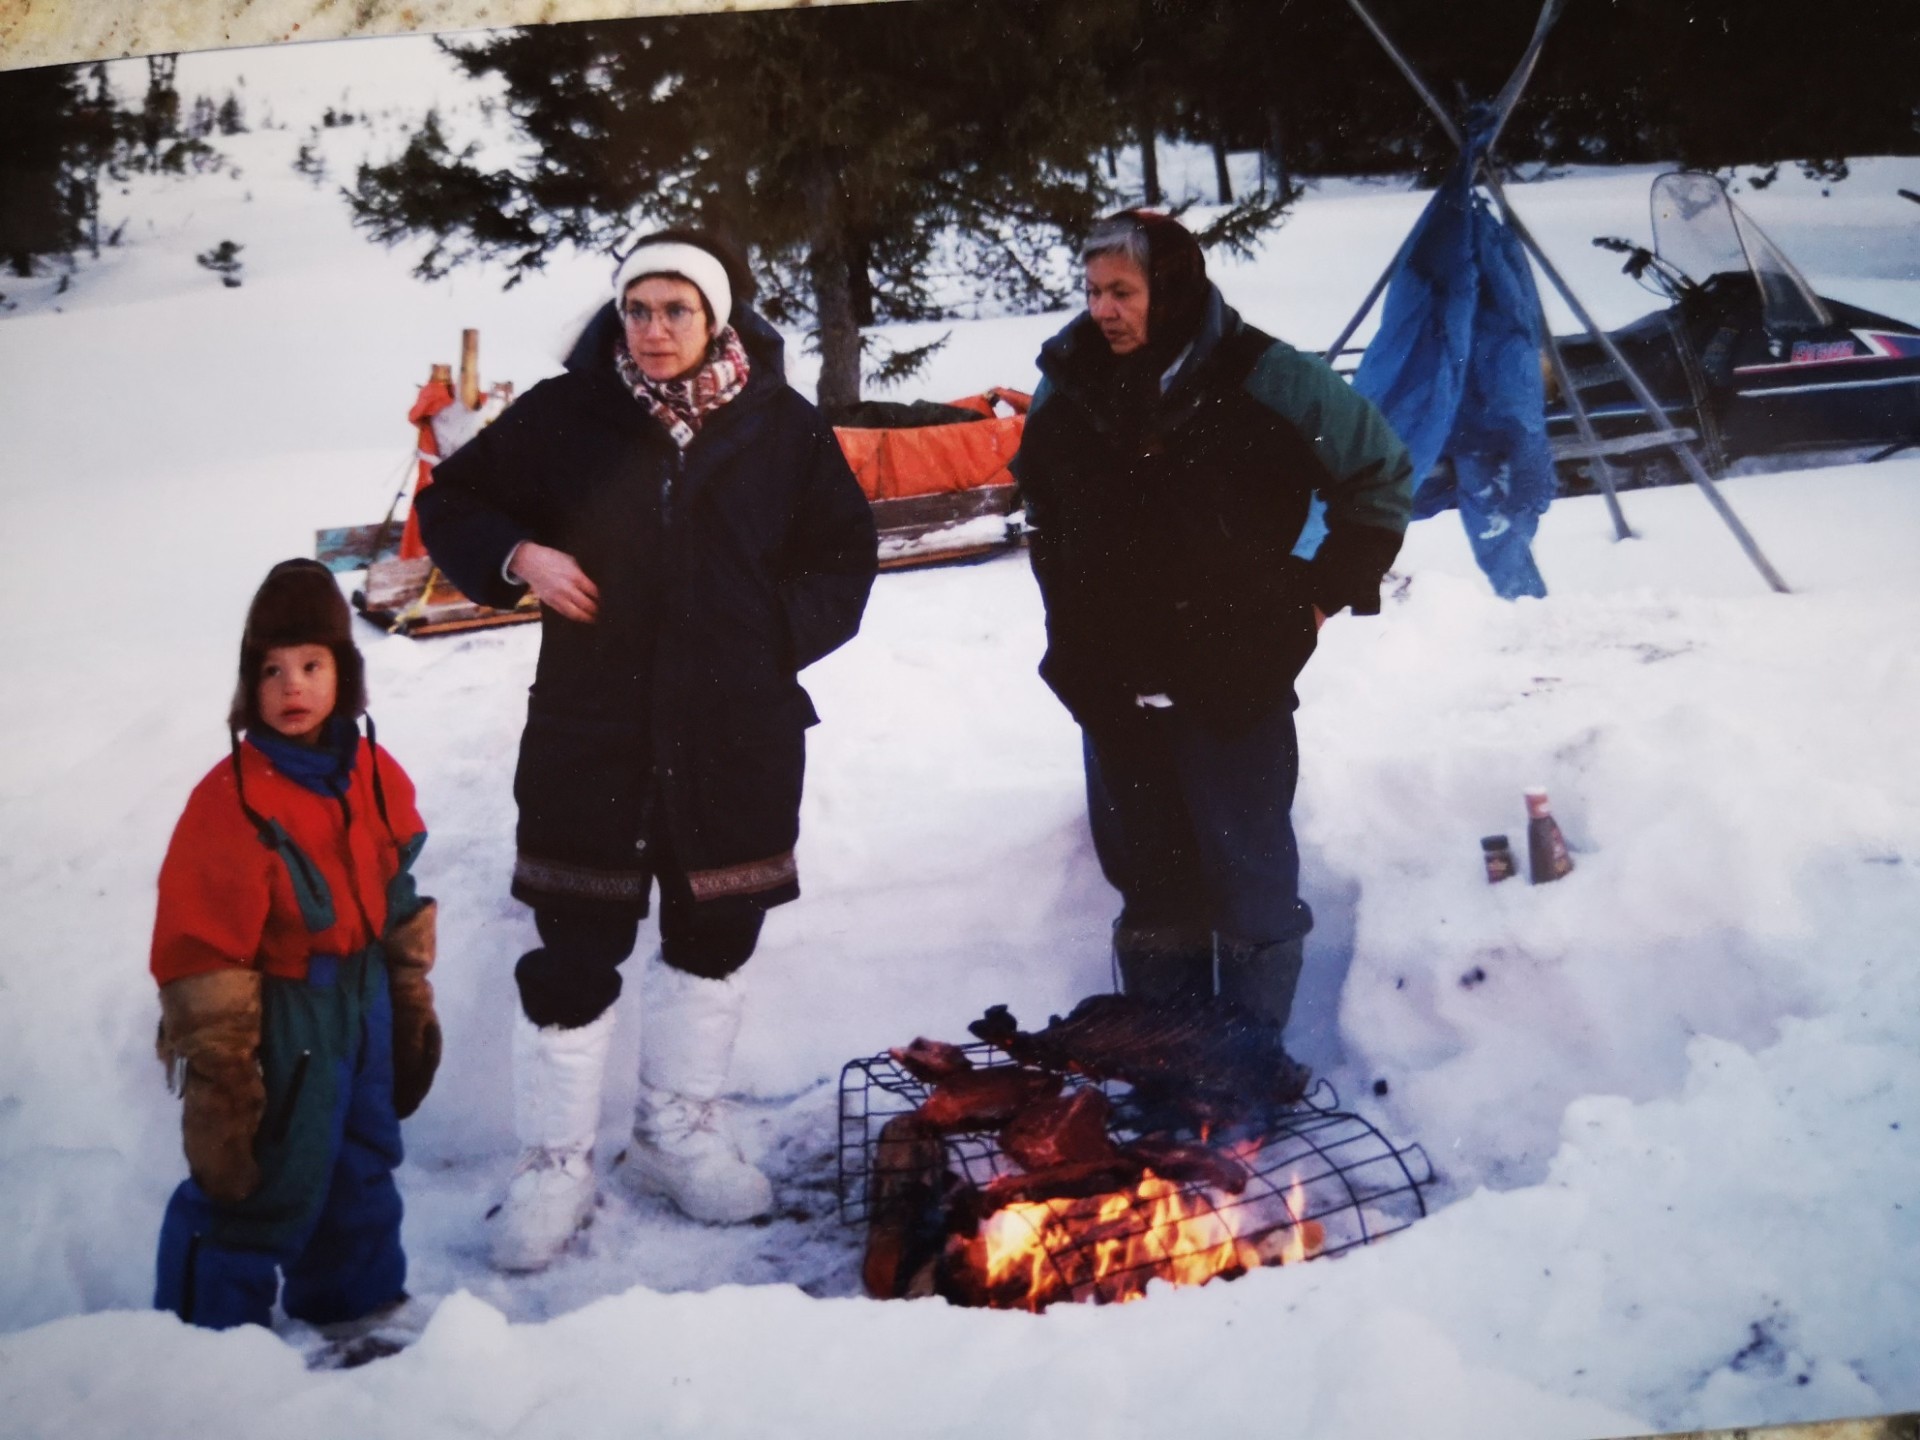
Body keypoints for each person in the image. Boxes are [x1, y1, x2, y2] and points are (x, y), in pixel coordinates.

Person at [418, 229, 877, 1268]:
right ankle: (553, 1164)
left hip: (735, 729)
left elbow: (845, 556)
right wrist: (518, 552)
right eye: (637, 309)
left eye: (677, 310)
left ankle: (677, 1135)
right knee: (576, 938)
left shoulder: (782, 428)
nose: (655, 329)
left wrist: (767, 636)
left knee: (715, 930)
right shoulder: (563, 414)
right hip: (595, 726)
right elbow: (451, 499)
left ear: (715, 317)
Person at [1011, 209, 1413, 1048]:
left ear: (1174, 286)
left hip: (1235, 676)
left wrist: (1313, 599)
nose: (1104, 310)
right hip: (1112, 681)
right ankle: (1169, 1067)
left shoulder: (1268, 376)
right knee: (1152, 885)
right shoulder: (1069, 380)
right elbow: (1041, 503)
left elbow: (1378, 478)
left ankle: (1247, 1070)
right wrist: (1069, 604)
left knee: (1250, 880)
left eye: (1123, 291)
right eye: (1093, 292)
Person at [151, 558, 438, 1332]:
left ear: (343, 672)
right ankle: (199, 1340)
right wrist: (220, 1073)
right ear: (250, 685)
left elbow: (397, 890)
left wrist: (407, 995)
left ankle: (358, 1304)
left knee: (362, 1157)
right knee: (261, 1172)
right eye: (271, 671)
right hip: (285, 1013)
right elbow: (201, 950)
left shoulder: (375, 773)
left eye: (312, 665)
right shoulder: (231, 800)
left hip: (362, 999)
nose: (293, 688)